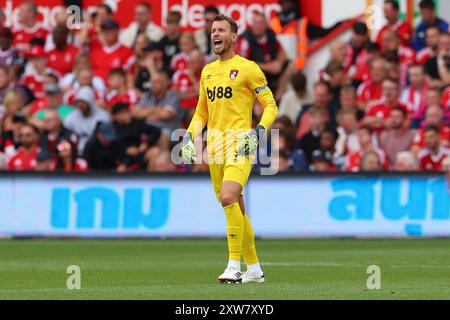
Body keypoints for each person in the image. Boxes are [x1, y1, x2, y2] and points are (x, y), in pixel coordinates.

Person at [180, 15, 278, 284]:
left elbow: (270, 106)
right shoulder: (207, 71)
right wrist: (188, 137)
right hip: (215, 150)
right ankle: (255, 270)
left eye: (222, 30)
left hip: (240, 145)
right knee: (235, 208)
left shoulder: (248, 68)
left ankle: (233, 266)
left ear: (234, 36)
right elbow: (202, 111)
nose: (216, 34)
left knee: (228, 196)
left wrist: (258, 131)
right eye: (213, 31)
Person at [237, 12, 287, 93]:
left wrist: (278, 63)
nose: (257, 26)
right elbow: (242, 63)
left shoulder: (271, 36)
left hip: (271, 72)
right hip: (255, 73)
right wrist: (267, 67)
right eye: (255, 22)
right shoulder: (245, 40)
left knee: (291, 65)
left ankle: (278, 98)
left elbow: (282, 53)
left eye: (260, 23)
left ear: (266, 25)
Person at [111, 102, 161, 171]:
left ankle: (150, 179)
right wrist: (126, 150)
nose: (127, 115)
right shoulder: (112, 127)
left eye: (127, 112)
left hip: (138, 152)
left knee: (155, 151)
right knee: (121, 169)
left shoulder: (136, 123)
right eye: (123, 113)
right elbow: (112, 145)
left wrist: (146, 143)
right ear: (116, 116)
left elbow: (156, 131)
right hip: (122, 156)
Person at [63, 86, 111, 154]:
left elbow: (107, 137)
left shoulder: (103, 116)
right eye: (79, 102)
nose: (80, 105)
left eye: (83, 102)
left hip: (98, 151)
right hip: (76, 151)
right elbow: (66, 135)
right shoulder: (71, 117)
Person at [133, 71, 181, 136]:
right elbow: (135, 113)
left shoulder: (173, 95)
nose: (153, 85)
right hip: (147, 129)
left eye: (157, 82)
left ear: (165, 83)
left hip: (167, 130)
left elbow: (166, 115)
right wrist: (155, 110)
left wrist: (147, 112)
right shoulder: (147, 95)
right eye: (151, 82)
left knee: (161, 136)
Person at [89, 19, 136, 84]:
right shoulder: (95, 52)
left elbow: (129, 76)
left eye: (109, 31)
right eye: (104, 31)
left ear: (117, 31)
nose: (106, 34)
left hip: (116, 89)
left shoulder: (128, 52)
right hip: (96, 88)